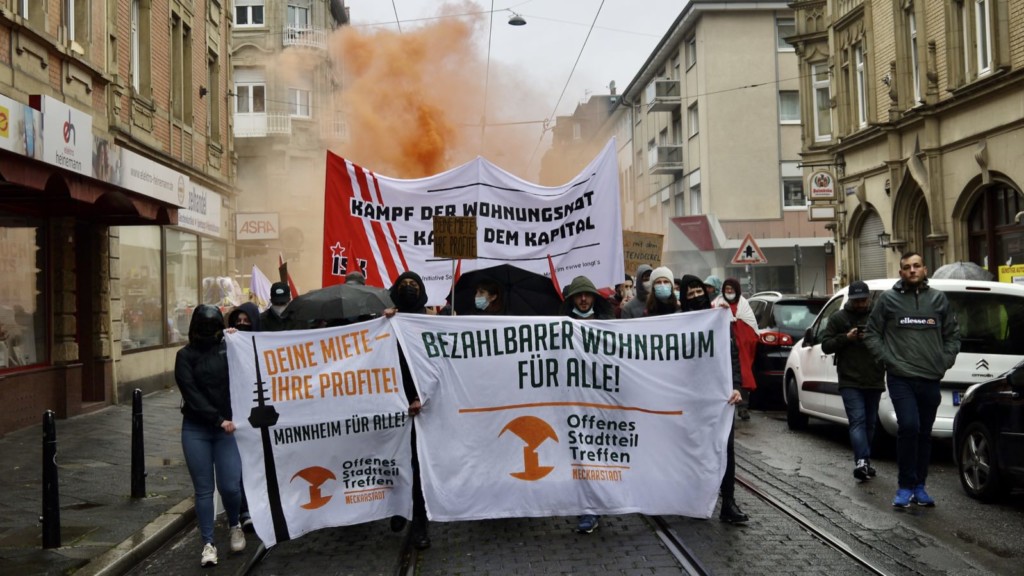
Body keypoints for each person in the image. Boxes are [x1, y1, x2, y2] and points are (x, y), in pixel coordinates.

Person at [864, 253, 960, 508]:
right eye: (907, 267)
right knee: (908, 427)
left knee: (924, 434)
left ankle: (920, 486)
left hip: (930, 376)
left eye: (917, 266)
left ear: (925, 269)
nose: (912, 270)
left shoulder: (938, 299)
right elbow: (871, 333)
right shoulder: (888, 300)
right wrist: (887, 360)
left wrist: (944, 361)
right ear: (901, 272)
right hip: (901, 377)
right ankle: (904, 487)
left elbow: (953, 335)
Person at [174, 305, 245, 566]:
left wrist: (240, 338)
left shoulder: (229, 348)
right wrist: (218, 419)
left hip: (226, 429)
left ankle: (234, 524)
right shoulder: (184, 356)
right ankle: (208, 542)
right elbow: (191, 393)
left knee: (230, 486)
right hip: (198, 428)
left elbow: (250, 366)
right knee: (204, 490)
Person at [679, 274, 750, 524]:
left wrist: (737, 386)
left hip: (719, 399)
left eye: (699, 292)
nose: (697, 297)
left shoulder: (718, 320)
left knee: (725, 449)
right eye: (690, 294)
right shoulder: (678, 323)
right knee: (694, 450)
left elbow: (731, 356)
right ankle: (695, 500)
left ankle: (728, 502)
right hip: (691, 400)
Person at [560, 275, 614, 534]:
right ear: (572, 299)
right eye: (579, 295)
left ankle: (596, 502)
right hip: (571, 401)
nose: (583, 299)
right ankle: (587, 506)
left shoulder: (608, 325)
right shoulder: (560, 325)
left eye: (587, 295)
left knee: (598, 452)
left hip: (600, 400)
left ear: (594, 298)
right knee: (578, 454)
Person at [820, 281, 885, 482]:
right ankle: (861, 462)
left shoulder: (877, 318)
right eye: (857, 301)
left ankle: (865, 460)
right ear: (850, 299)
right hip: (849, 379)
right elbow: (825, 345)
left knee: (870, 424)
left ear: (869, 298)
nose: (860, 304)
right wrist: (847, 338)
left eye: (863, 300)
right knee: (857, 421)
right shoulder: (839, 318)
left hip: (874, 378)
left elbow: (889, 341)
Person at [386, 271, 431, 549]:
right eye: (404, 285)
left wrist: (420, 397)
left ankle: (420, 524)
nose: (409, 288)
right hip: (391, 405)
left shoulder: (428, 322)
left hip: (420, 407)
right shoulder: (384, 322)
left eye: (414, 285)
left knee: (419, 466)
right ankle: (398, 508)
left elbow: (434, 365)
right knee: (396, 462)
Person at [713, 278, 758, 420]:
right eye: (726, 289)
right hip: (722, 346)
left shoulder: (744, 306)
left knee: (742, 375)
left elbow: (751, 327)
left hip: (740, 348)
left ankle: (743, 406)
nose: (729, 292)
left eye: (731, 289)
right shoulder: (716, 303)